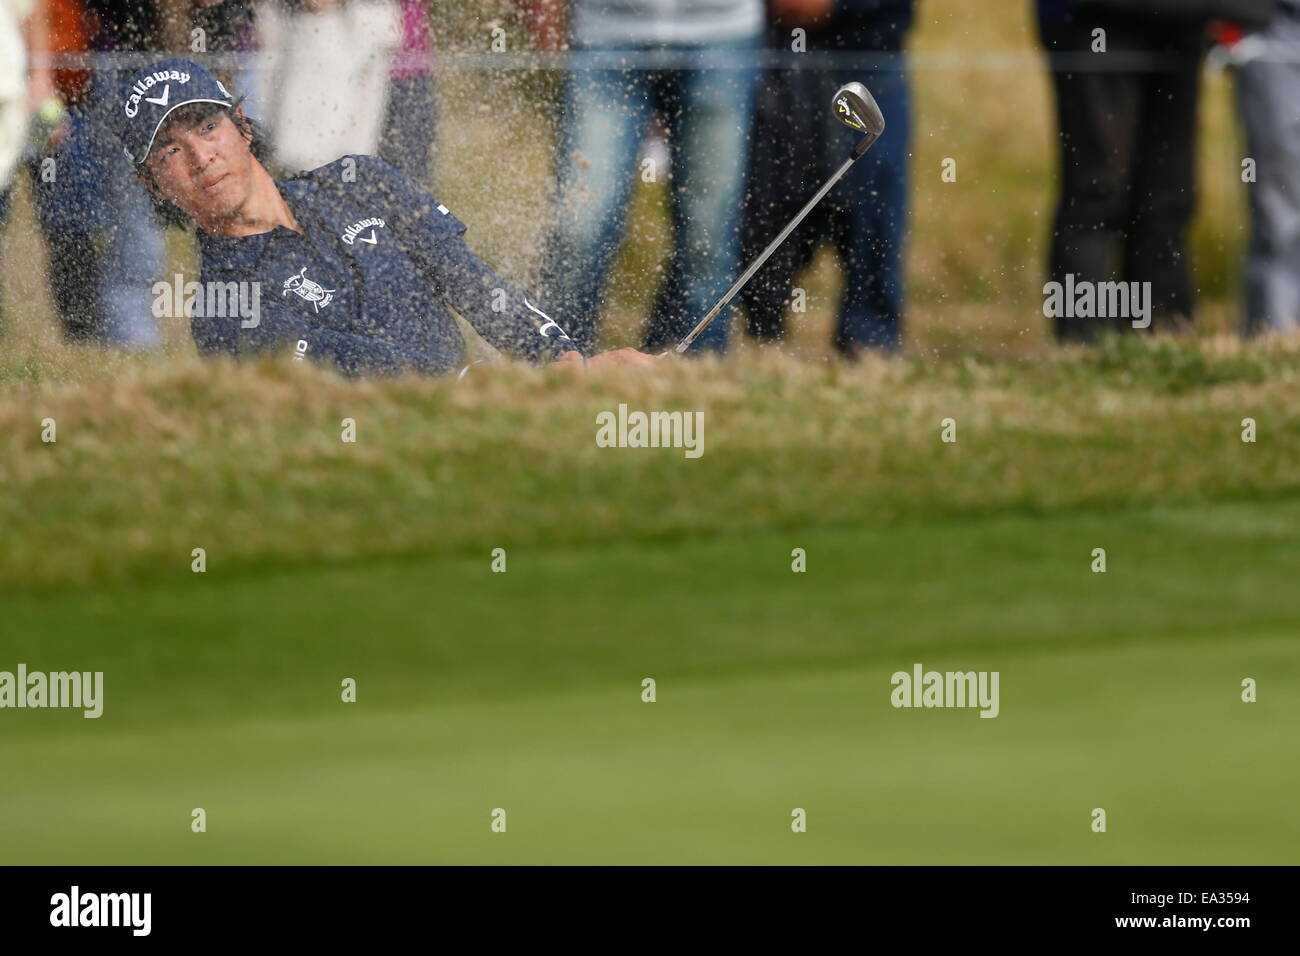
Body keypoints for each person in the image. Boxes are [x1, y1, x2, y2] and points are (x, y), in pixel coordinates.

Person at [112, 57, 650, 375]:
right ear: (151, 184)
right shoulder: (224, 312)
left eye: (207, 128)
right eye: (169, 151)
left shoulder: (361, 180)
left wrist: (562, 361)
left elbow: (470, 282)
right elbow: (380, 375)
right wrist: (516, 393)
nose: (201, 157)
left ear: (242, 126)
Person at [524, 0, 764, 354]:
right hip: (604, 34)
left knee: (709, 231)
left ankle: (698, 370)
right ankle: (555, 358)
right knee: (580, 225)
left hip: (724, 34)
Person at [1037, 0, 1272, 342]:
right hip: (1092, 23)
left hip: (1180, 24)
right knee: (1097, 189)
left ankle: (1160, 331)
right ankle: (1082, 338)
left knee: (1169, 194)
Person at [740, 0, 913, 355]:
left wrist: (838, 6)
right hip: (769, 46)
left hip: (869, 47)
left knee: (874, 212)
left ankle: (870, 342)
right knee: (765, 204)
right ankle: (761, 333)